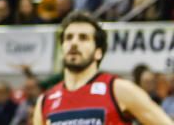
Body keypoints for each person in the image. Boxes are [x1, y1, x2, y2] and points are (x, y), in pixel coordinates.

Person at [34, 11, 171, 125]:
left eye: (83, 38)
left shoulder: (119, 89)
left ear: (98, 52)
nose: (74, 43)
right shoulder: (45, 100)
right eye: (68, 38)